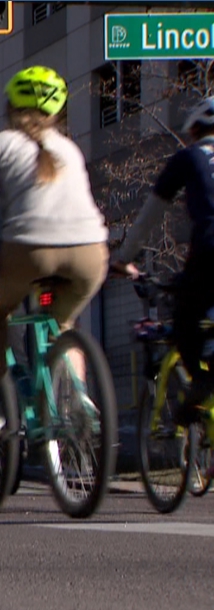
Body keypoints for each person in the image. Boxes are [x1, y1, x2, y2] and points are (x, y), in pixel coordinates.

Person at [0, 66, 109, 432]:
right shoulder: (70, 148)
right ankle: (78, 397)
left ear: (9, 107)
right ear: (58, 112)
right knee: (63, 324)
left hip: (29, 251)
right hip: (91, 252)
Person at [113, 96, 214, 427]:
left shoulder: (189, 157)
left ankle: (201, 383)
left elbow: (149, 216)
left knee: (186, 318)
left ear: (196, 128)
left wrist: (124, 258)